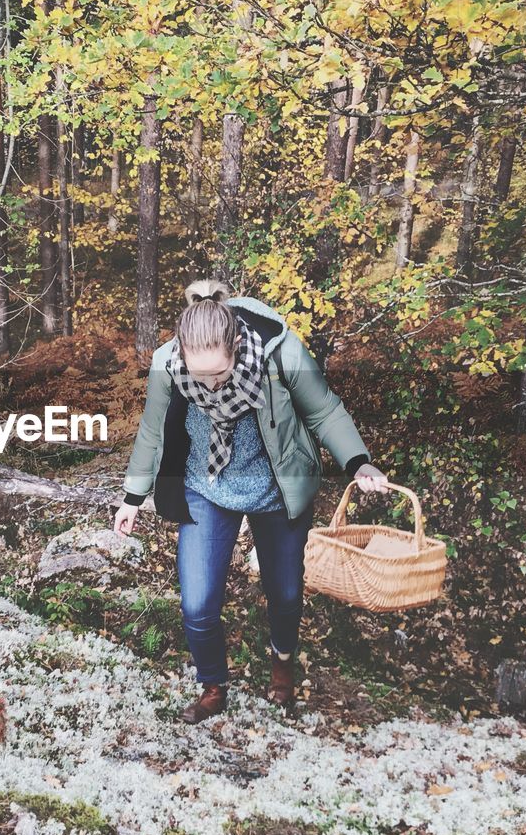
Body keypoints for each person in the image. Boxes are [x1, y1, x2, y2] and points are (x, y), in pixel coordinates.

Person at [114, 278, 389, 724]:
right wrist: (132, 497)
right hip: (207, 489)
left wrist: (359, 462)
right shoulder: (168, 363)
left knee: (284, 593)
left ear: (237, 343)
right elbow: (151, 429)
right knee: (197, 603)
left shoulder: (279, 353)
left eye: (219, 375)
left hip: (276, 489)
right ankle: (213, 684)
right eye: (199, 376)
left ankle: (282, 660)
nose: (211, 385)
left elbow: (324, 410)